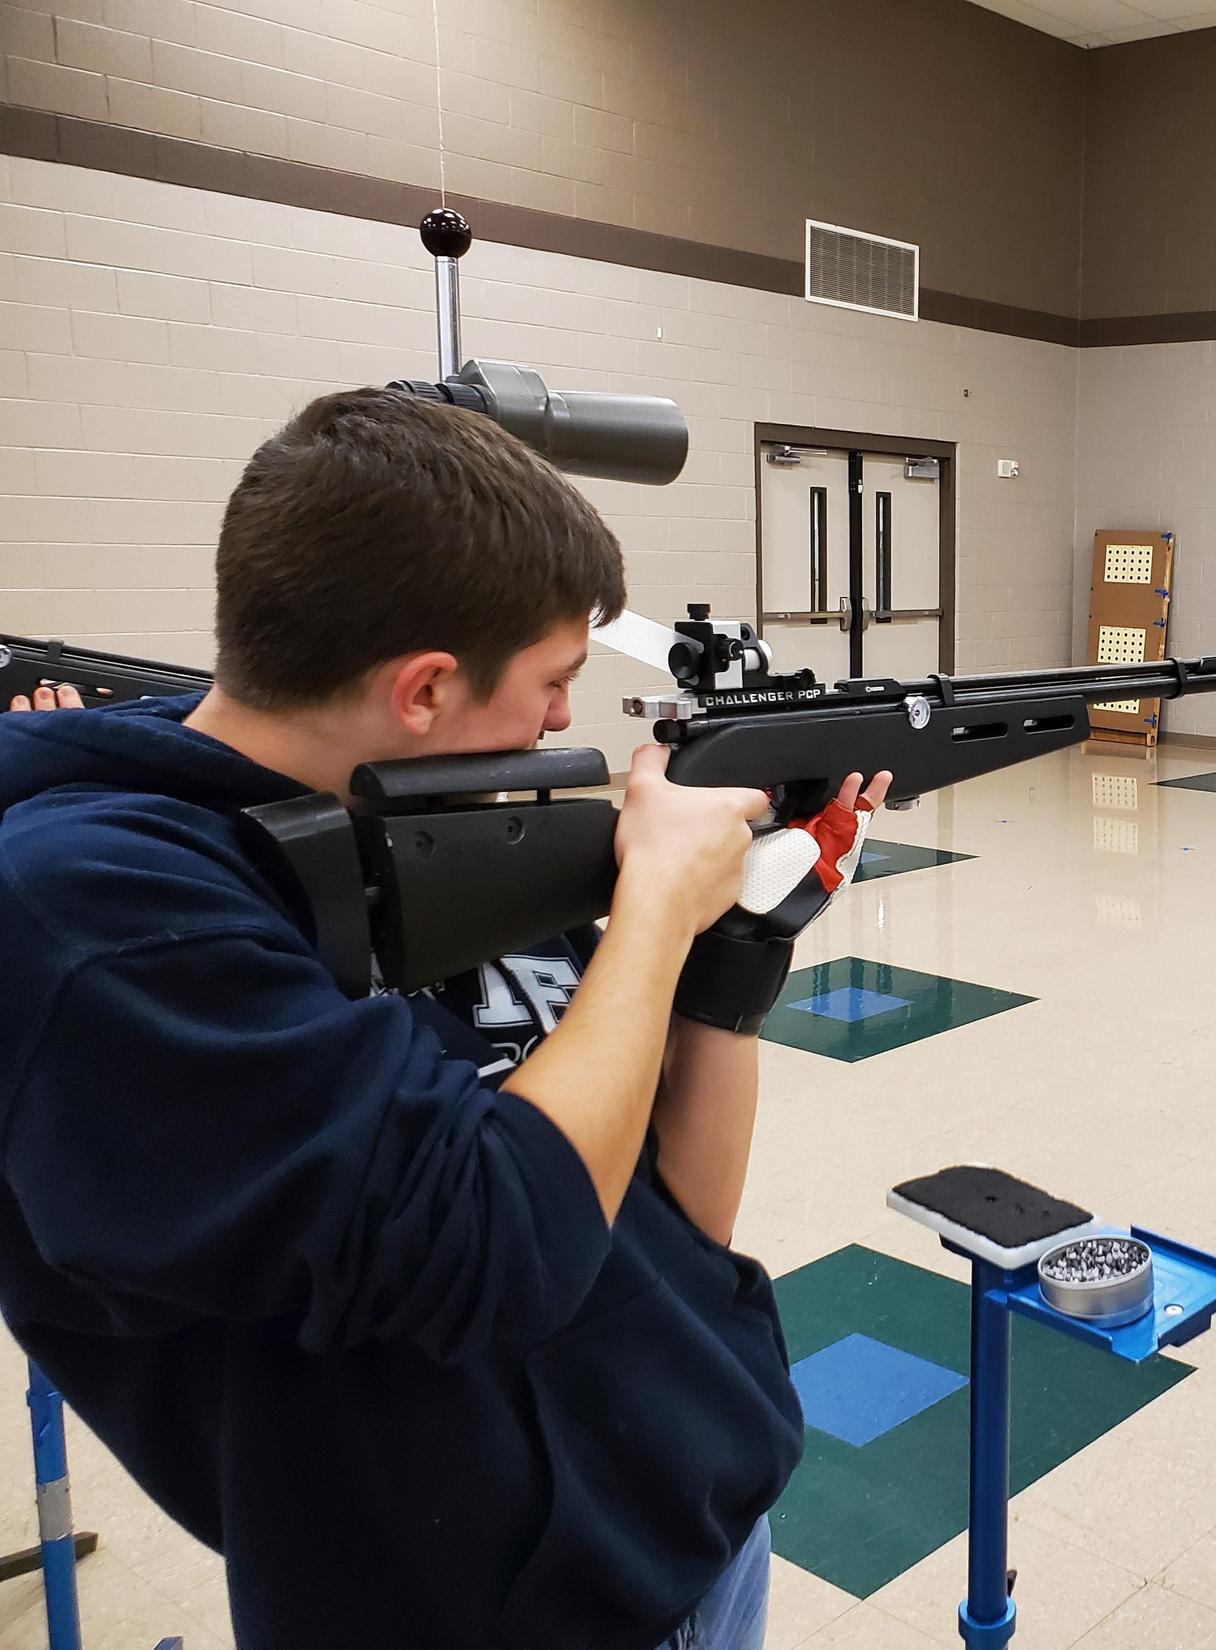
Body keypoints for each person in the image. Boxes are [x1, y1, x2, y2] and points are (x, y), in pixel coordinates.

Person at [0, 388, 883, 1650]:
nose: (564, 724)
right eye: (553, 682)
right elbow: (504, 1240)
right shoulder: (100, 917)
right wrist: (649, 913)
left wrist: (730, 934)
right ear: (422, 690)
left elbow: (676, 1221)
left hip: (696, 1506)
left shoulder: (435, 821)